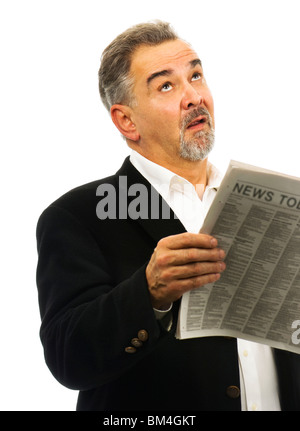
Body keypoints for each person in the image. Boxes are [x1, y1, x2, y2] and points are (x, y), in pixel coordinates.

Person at [36, 21, 300, 411]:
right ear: (127, 120)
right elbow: (68, 359)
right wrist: (148, 292)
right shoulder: (77, 216)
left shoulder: (273, 203)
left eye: (195, 75)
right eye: (166, 85)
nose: (194, 96)